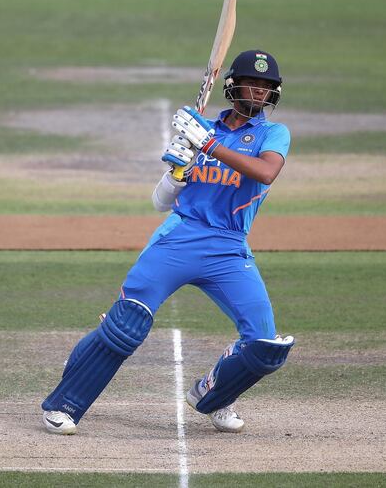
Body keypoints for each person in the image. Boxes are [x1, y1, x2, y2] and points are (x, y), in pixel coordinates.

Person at [41, 50, 295, 435]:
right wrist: (178, 170)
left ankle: (214, 395)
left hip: (229, 246)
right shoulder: (198, 131)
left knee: (265, 345)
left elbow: (266, 172)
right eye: (252, 83)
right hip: (180, 237)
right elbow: (160, 202)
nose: (259, 92)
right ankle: (64, 404)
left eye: (266, 87)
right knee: (126, 325)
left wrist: (209, 146)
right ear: (233, 86)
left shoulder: (271, 134)